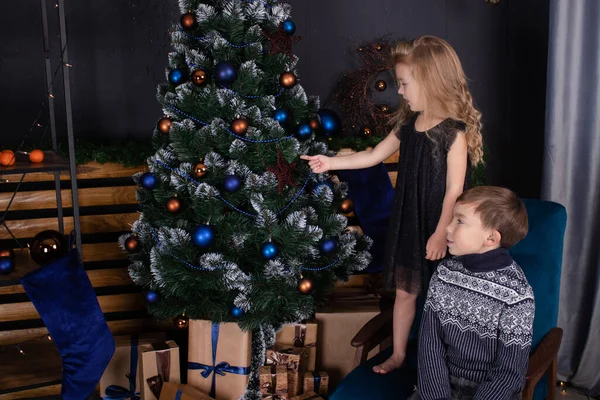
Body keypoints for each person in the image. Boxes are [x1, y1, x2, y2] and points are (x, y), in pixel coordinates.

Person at [301, 35, 484, 373]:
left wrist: (442, 233)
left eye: (404, 83)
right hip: (411, 221)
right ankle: (398, 354)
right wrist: (330, 163)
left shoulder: (453, 133)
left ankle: (447, 363)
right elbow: (372, 156)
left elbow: (454, 191)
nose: (399, 91)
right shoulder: (408, 126)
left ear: (430, 81)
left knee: (445, 297)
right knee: (405, 293)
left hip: (443, 226)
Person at [410, 186, 534, 400]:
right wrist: (437, 396)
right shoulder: (445, 273)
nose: (447, 228)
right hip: (440, 383)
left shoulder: (516, 294)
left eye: (459, 221)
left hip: (489, 392)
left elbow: (509, 372)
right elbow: (430, 342)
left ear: (491, 238)